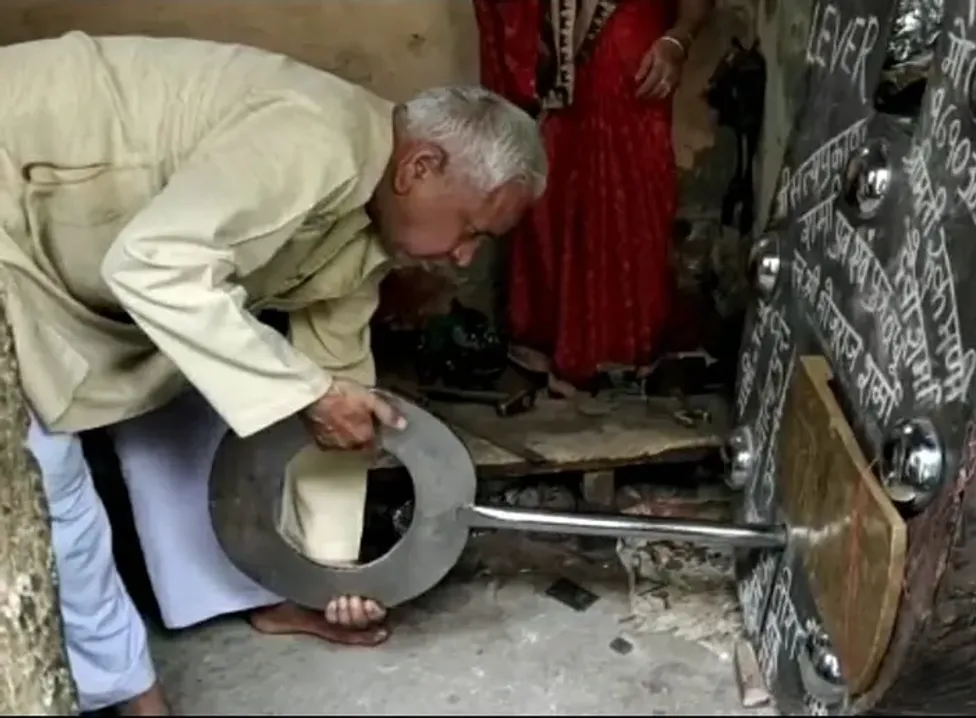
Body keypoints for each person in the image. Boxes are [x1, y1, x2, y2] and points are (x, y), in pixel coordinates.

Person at [0, 31, 546, 716]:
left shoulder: (369, 225)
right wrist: (306, 392)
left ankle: (259, 591)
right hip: (13, 205)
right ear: (421, 167)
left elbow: (338, 399)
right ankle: (127, 690)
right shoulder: (314, 144)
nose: (466, 258)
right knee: (43, 476)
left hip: (79, 245)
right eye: (473, 230)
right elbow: (154, 265)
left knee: (212, 392)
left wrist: (330, 573)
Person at [474, 0, 714, 392]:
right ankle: (547, 348)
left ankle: (621, 355)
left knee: (629, 203)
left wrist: (676, 41)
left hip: (632, 69)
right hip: (551, 72)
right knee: (548, 197)